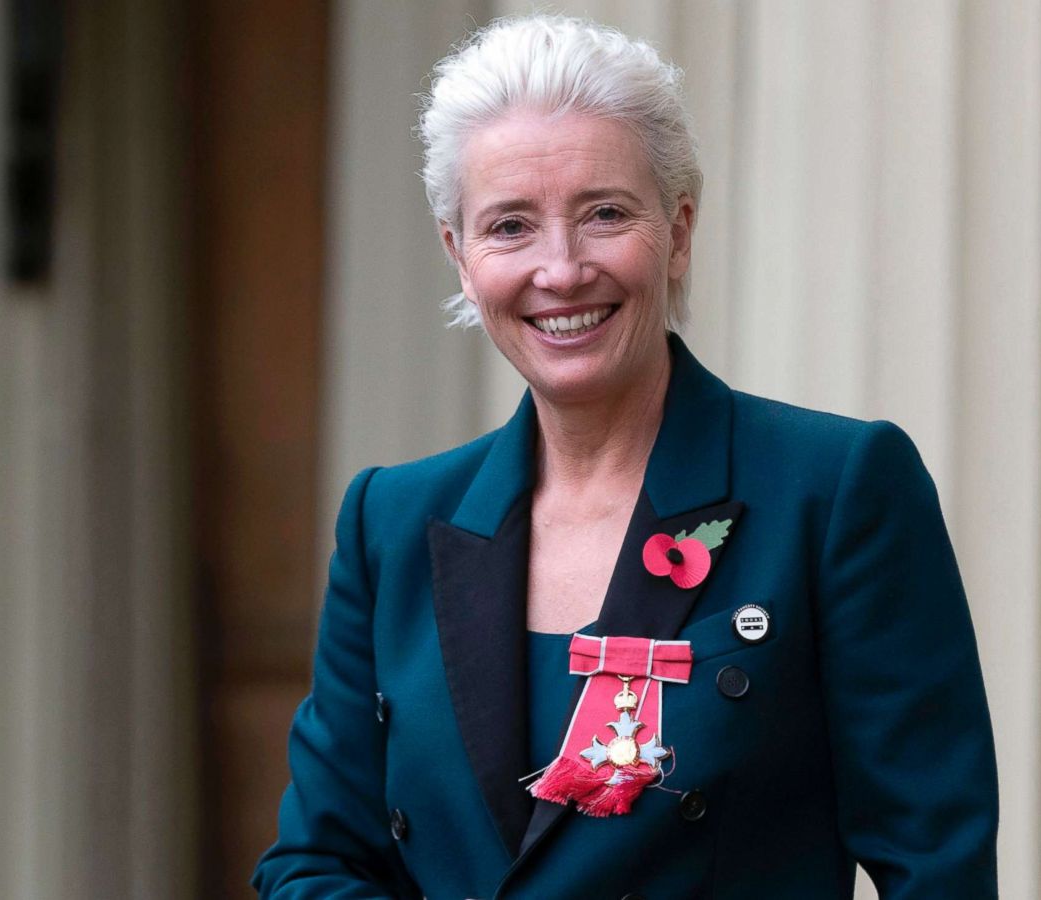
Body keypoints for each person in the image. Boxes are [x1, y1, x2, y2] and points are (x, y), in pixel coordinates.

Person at [253, 14, 997, 899]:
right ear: (460, 257)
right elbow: (314, 864)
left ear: (678, 232)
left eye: (604, 213)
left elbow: (938, 870)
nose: (561, 270)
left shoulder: (834, 491)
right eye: (510, 227)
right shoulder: (393, 524)